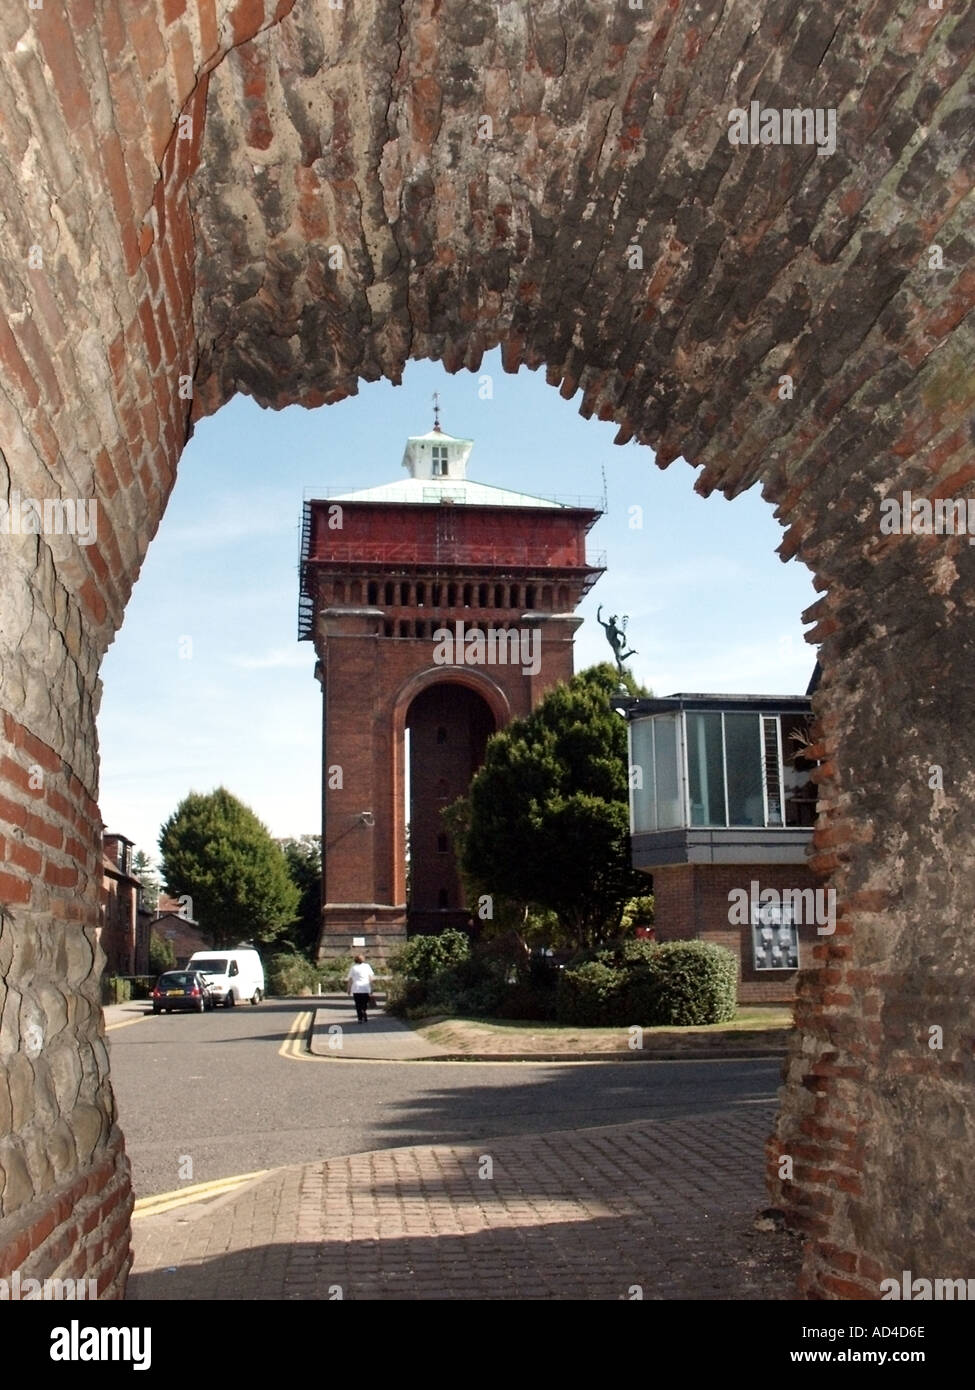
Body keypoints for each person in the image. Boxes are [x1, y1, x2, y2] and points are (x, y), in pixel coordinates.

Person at [346, 954, 375, 1024]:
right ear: (363, 960)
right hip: (365, 988)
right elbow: (371, 978)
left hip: (356, 988)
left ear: (355, 960)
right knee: (364, 1003)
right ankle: (364, 1011)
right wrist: (372, 987)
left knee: (358, 1004)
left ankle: (360, 1018)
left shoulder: (353, 968)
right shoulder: (367, 966)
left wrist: (348, 989)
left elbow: (350, 979)